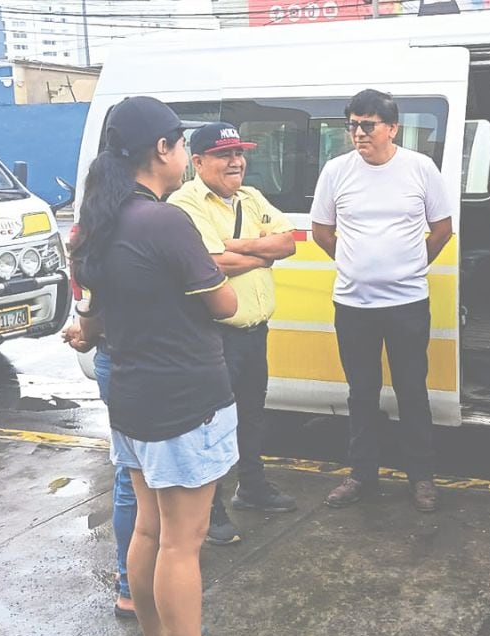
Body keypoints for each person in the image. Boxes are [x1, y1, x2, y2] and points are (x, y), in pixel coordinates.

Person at [71, 95, 267, 636]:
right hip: (184, 399)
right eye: (183, 145)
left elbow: (98, 313)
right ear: (163, 149)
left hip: (132, 397)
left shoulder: (103, 220)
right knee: (184, 541)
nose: (184, 155)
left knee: (150, 530)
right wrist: (243, 260)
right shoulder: (162, 220)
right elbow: (225, 304)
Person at [310, 88, 453, 512]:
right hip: (354, 304)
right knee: (361, 392)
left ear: (392, 128)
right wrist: (354, 263)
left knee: (412, 390)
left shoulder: (420, 169)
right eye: (352, 124)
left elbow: (441, 228)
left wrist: (410, 265)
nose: (358, 133)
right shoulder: (336, 172)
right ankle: (361, 474)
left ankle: (422, 478)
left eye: (367, 125)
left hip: (407, 303)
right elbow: (322, 231)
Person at [168, 122, 299, 542]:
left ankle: (252, 486)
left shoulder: (250, 196)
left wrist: (236, 245)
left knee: (251, 416)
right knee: (212, 424)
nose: (236, 161)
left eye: (239, 153)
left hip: (254, 331)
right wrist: (260, 252)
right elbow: (211, 264)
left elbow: (288, 242)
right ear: (199, 161)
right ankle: (212, 510)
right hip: (214, 334)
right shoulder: (186, 203)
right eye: (224, 155)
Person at [61, 268, 137, 620]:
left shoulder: (96, 233)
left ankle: (131, 586)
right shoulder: (164, 225)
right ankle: (137, 586)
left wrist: (88, 332)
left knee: (130, 474)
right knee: (145, 481)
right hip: (149, 363)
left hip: (112, 354)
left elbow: (92, 312)